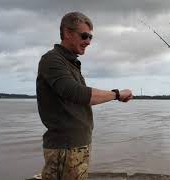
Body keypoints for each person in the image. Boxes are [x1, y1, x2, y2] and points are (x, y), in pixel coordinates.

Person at [36, 11, 133, 180]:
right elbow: (77, 93)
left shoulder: (71, 63)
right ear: (67, 33)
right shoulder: (52, 60)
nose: (88, 42)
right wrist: (117, 94)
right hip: (65, 148)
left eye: (90, 37)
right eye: (84, 36)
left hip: (78, 145)